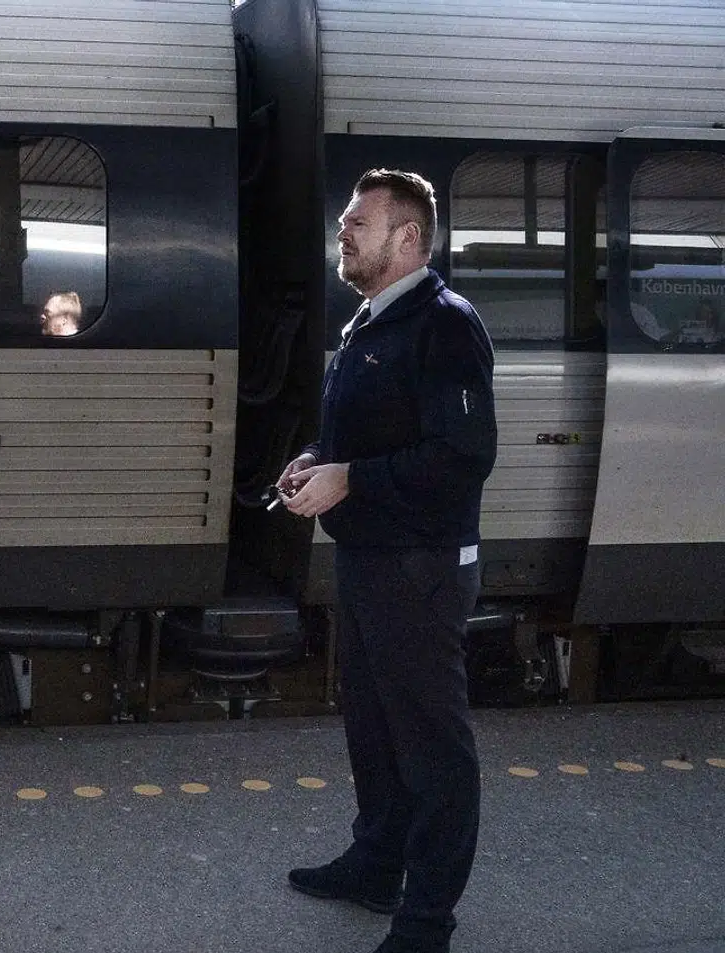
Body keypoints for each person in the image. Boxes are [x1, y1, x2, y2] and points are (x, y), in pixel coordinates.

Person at [276, 169, 497, 953]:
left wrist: (351, 478)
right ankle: (377, 864)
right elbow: (362, 438)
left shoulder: (445, 325)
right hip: (371, 557)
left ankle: (427, 920)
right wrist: (314, 460)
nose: (344, 231)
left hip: (422, 565)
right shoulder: (370, 321)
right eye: (345, 220)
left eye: (358, 222)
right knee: (372, 727)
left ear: (408, 238)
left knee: (431, 745)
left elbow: (464, 455)